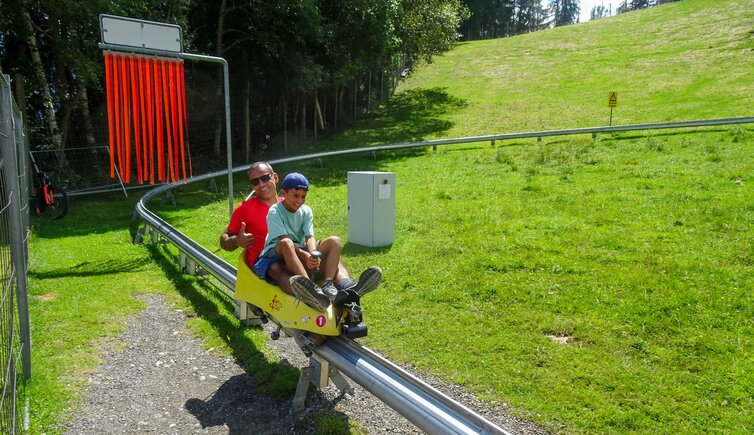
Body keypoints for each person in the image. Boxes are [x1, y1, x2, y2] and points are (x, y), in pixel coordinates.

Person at [220, 162, 380, 307]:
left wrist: (313, 255)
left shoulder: (292, 200)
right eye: (255, 181)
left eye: (264, 178)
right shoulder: (246, 208)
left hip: (297, 253)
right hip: (269, 260)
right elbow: (224, 240)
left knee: (331, 254)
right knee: (279, 269)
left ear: (275, 177)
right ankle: (310, 293)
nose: (261, 184)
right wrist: (236, 240)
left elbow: (308, 236)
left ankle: (348, 287)